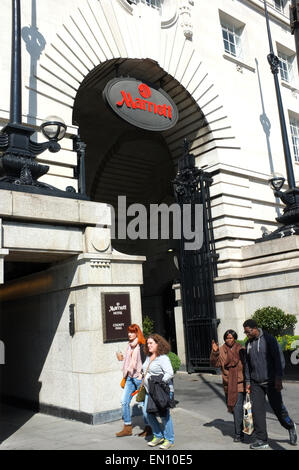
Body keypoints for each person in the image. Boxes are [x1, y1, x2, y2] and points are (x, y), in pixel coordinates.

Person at [243, 319, 297, 449]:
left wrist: (278, 378)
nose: (246, 334)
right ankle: (262, 440)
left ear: (255, 328)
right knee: (257, 412)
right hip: (256, 383)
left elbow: (279, 360)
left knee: (278, 409)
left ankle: (290, 425)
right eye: (245, 332)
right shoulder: (248, 343)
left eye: (248, 331)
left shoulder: (269, 339)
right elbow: (247, 365)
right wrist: (248, 381)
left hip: (271, 381)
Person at [210, 330, 246, 442]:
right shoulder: (221, 350)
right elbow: (215, 364)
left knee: (237, 407)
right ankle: (242, 428)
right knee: (234, 409)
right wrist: (214, 352)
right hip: (228, 384)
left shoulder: (241, 349)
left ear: (235, 338)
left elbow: (247, 365)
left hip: (240, 383)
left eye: (231, 338)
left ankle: (238, 434)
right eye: (227, 338)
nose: (229, 340)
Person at [115, 324, 151, 437]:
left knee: (143, 404)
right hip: (129, 378)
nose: (129, 334)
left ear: (137, 333)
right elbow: (129, 361)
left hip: (139, 379)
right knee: (124, 401)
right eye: (128, 332)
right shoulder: (129, 346)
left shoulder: (142, 345)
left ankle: (149, 427)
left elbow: (147, 362)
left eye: (132, 332)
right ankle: (127, 427)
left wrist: (141, 374)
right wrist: (122, 358)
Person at [141, 334, 175, 450]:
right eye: (148, 343)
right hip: (149, 391)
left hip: (161, 391)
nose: (148, 345)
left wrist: (159, 382)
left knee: (164, 415)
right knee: (148, 413)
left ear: (158, 344)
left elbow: (169, 373)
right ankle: (158, 436)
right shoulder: (148, 357)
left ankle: (169, 439)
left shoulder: (163, 358)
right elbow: (146, 369)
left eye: (151, 343)